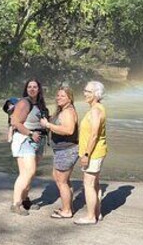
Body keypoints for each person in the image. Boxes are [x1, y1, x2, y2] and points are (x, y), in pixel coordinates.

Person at [9, 78, 49, 215]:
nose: (32, 89)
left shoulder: (39, 104)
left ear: (39, 89)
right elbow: (15, 122)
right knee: (29, 172)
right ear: (26, 89)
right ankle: (15, 204)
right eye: (29, 87)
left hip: (38, 141)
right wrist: (31, 133)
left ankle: (25, 199)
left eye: (35, 87)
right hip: (25, 140)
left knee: (27, 174)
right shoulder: (24, 103)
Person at [40, 84, 79, 219]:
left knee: (62, 181)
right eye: (58, 95)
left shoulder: (68, 111)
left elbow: (69, 130)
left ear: (70, 98)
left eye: (63, 96)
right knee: (62, 180)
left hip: (67, 150)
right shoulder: (63, 110)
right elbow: (60, 124)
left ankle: (67, 211)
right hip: (63, 150)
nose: (59, 98)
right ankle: (68, 207)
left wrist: (48, 125)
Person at [76, 81, 107, 225]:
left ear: (96, 94)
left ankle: (90, 217)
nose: (85, 93)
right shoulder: (97, 108)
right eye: (85, 90)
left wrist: (86, 155)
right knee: (95, 184)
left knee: (88, 184)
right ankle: (97, 212)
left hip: (93, 153)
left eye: (88, 91)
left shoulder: (96, 110)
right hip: (97, 152)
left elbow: (94, 134)